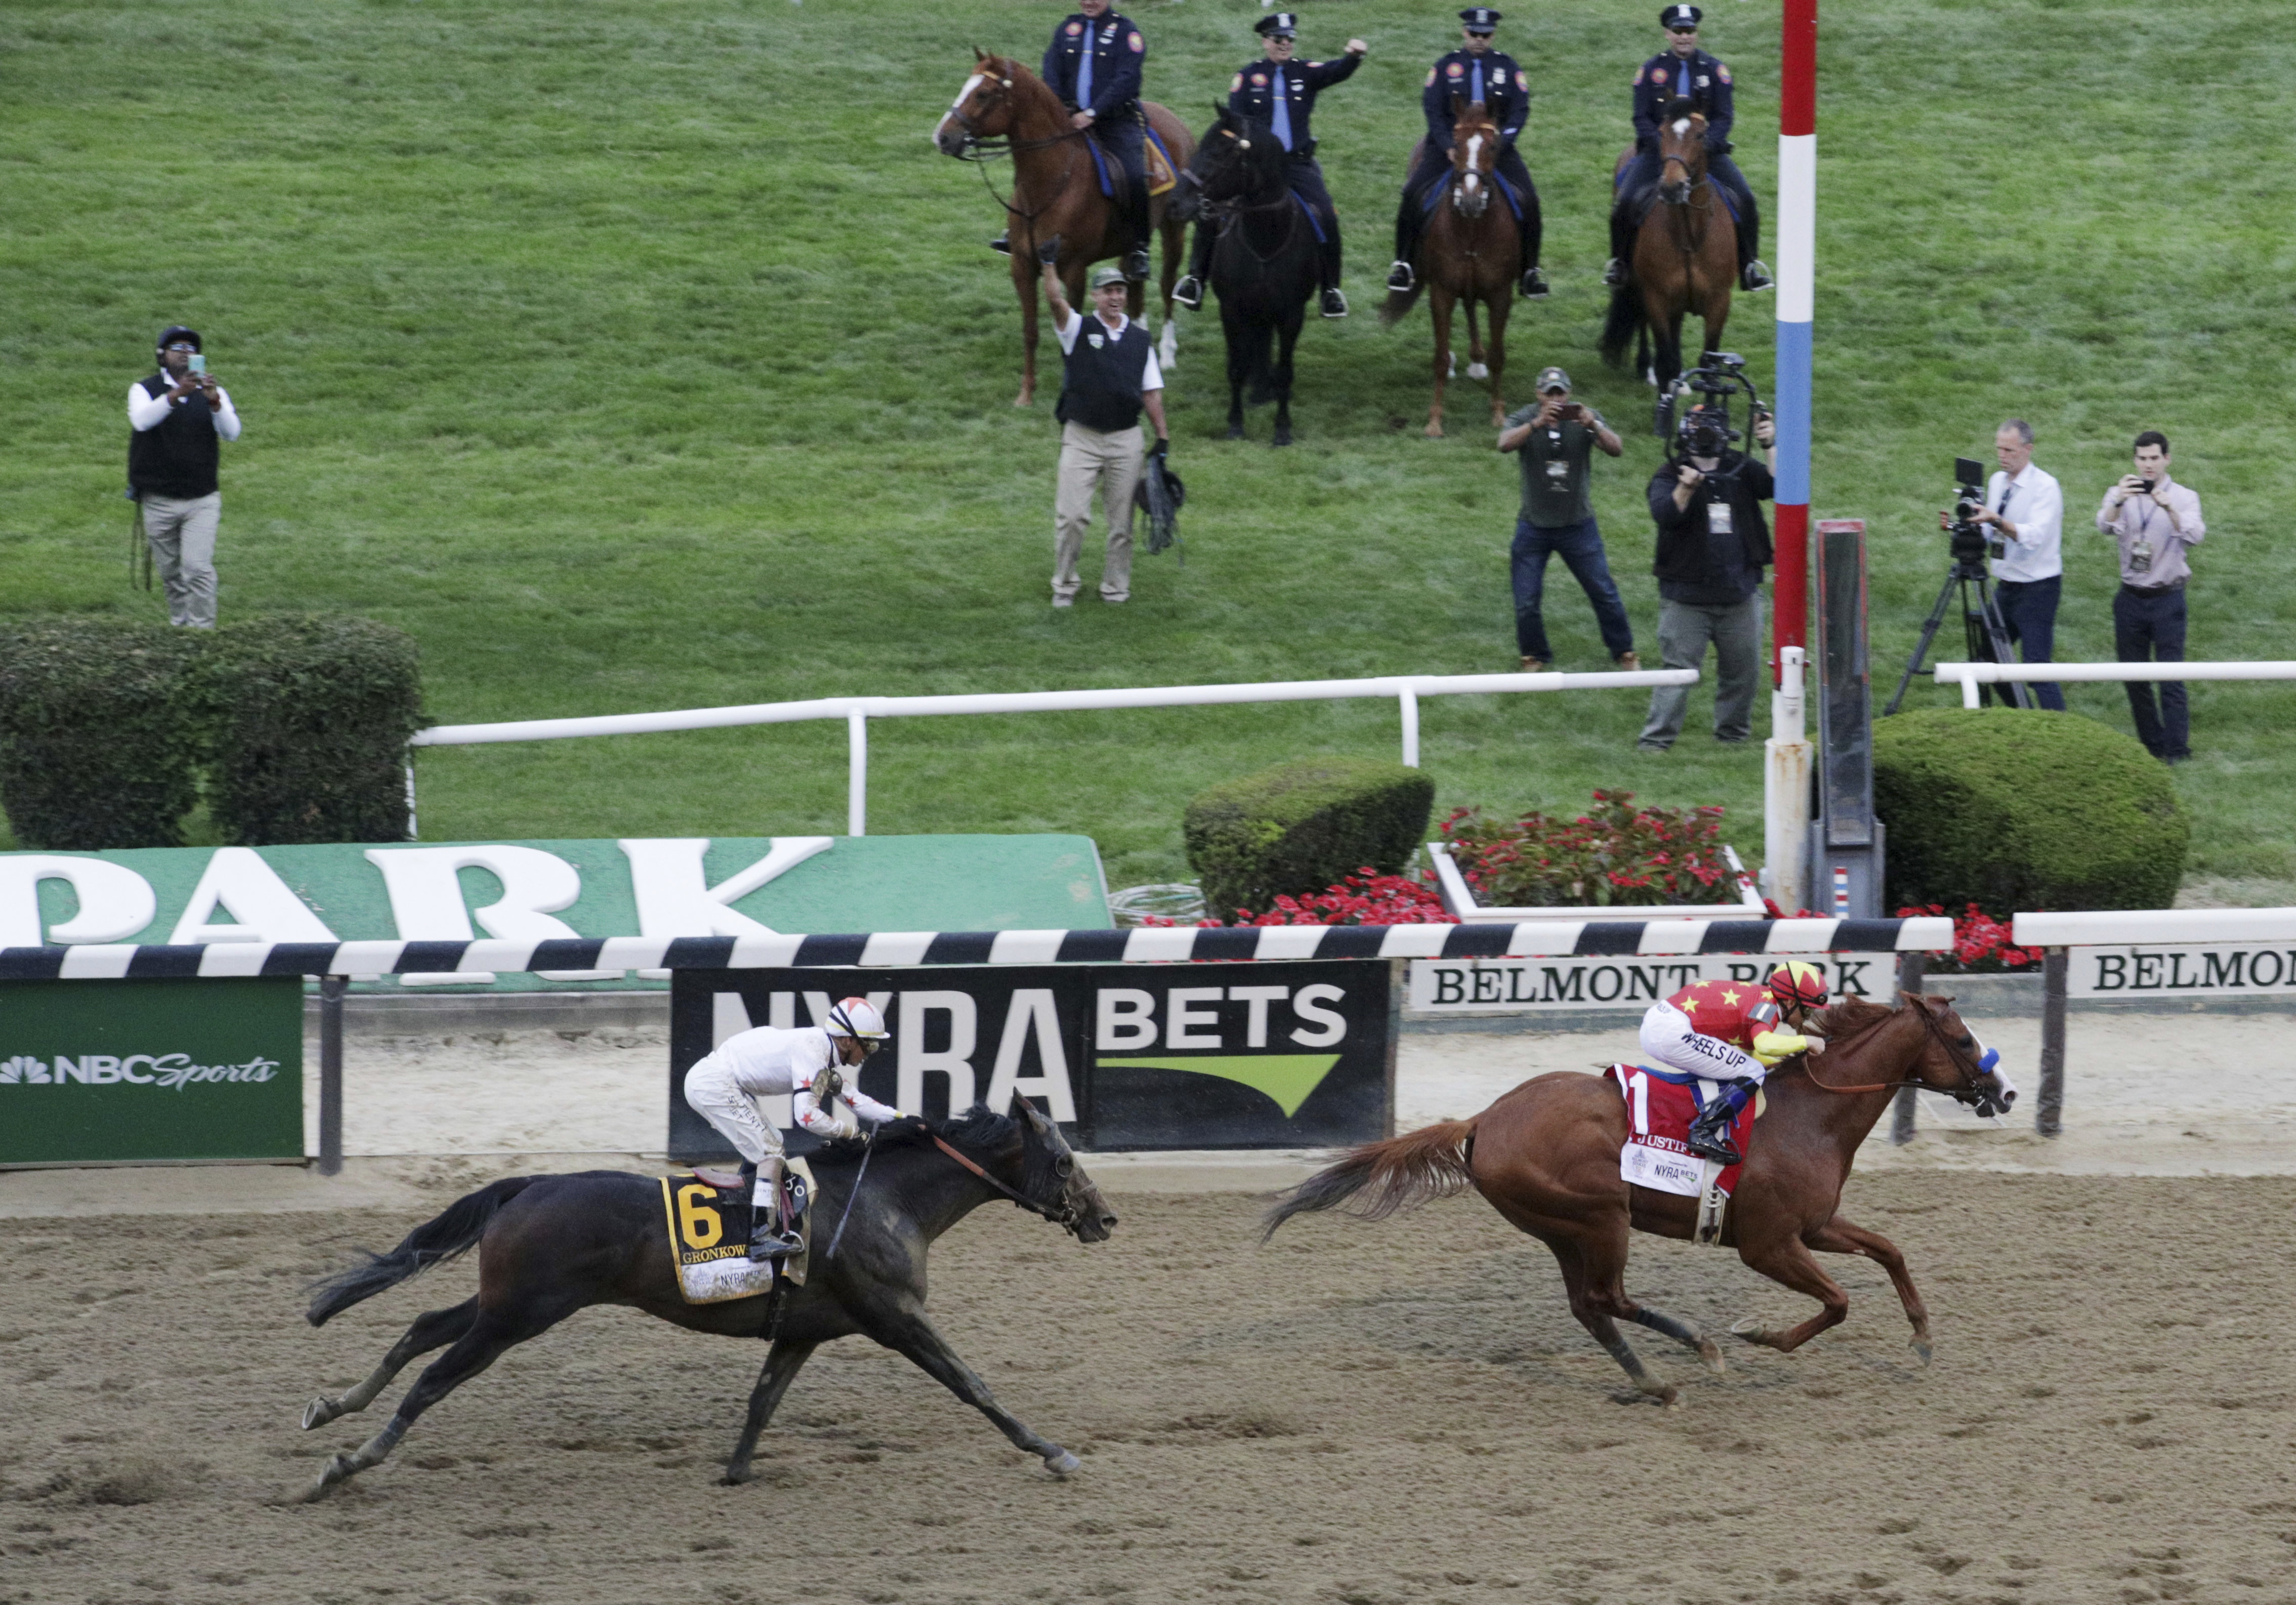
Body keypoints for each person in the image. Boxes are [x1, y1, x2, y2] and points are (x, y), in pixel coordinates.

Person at [1173, 12, 1366, 319]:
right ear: (1265, 42)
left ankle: (1331, 290)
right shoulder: (1248, 78)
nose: (1285, 44)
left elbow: (1335, 71)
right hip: (1257, 168)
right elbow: (1235, 122)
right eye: (1279, 39)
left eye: (1290, 39)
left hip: (1297, 165)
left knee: (1326, 215)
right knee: (1212, 211)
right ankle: (1196, 279)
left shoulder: (1305, 72)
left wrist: (1353, 57)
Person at [681, 998, 902, 1260]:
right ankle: (760, 1237)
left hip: (714, 1079)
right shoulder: (813, 1052)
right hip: (714, 1082)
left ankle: (746, 1208)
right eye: (870, 1045)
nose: (869, 1052)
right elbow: (807, 1117)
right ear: (847, 1041)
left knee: (773, 1141)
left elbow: (859, 1103)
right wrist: (851, 1133)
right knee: (771, 1153)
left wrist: (906, 1119)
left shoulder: (819, 1049)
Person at [1637, 401, 1776, 751]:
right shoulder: (1669, 472)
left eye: (1711, 428)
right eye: (1698, 427)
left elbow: (1777, 486)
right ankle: (1656, 741)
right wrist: (1686, 487)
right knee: (1677, 673)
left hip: (1739, 593)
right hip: (1686, 597)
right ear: (1684, 432)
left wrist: (1769, 444)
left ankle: (1732, 736)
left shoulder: (1739, 467)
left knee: (1742, 672)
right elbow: (1664, 514)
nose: (1705, 435)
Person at [1606, 4, 1771, 294]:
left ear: (1697, 33)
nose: (1685, 37)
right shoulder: (1650, 70)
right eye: (1678, 31)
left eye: (1690, 31)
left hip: (1705, 153)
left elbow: (1724, 116)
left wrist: (1705, 145)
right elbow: (1641, 117)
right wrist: (1667, 147)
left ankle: (1749, 267)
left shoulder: (1715, 70)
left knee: (1746, 199)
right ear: (1667, 34)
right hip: (1659, 153)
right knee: (1626, 203)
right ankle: (1620, 264)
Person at [1387, 7, 1549, 301]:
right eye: (1474, 33)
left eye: (1485, 35)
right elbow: (1433, 109)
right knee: (1411, 193)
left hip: (1495, 149)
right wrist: (1447, 144)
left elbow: (1520, 110)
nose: (1479, 39)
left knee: (1531, 200)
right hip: (1449, 148)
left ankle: (1530, 271)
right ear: (1464, 32)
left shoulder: (1508, 68)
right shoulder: (1446, 66)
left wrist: (1503, 143)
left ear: (1493, 36)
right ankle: (1404, 263)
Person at [994, 0, 1151, 280]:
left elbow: (1127, 79)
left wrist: (1093, 113)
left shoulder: (1126, 32)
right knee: (1032, 163)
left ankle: (1138, 247)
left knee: (1134, 174)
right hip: (1068, 117)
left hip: (1114, 121)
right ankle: (1017, 232)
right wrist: (1058, 107)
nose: (1088, 2)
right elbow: (1051, 68)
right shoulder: (1069, 28)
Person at [1046, 257, 1169, 606]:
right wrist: (1049, 265)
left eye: (1120, 291)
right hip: (1081, 437)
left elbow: (1151, 392)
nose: (1115, 297)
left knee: (1121, 524)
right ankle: (1064, 585)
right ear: (1095, 296)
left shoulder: (1140, 339)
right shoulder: (1076, 329)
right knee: (1071, 517)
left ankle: (1115, 588)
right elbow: (1055, 301)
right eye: (1108, 291)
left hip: (1126, 439)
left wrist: (1162, 437)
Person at [1498, 366, 1637, 673]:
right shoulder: (1525, 418)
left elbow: (1616, 449)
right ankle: (1533, 656)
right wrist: (1536, 424)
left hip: (1578, 525)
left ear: (1569, 394)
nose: (1556, 400)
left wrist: (1594, 426)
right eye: (1550, 394)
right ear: (1538, 395)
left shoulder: (1584, 418)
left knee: (1604, 592)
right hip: (1534, 526)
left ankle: (1624, 651)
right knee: (1526, 600)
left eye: (1560, 393)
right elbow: (1504, 444)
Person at [1639, 962, 1829, 1165]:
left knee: (1749, 1068)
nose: (1807, 1018)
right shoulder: (1768, 1007)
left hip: (1662, 1022)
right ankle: (1703, 1131)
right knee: (1754, 1072)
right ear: (1791, 1003)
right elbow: (1764, 1045)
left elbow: (1748, 1054)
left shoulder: (1762, 998)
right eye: (1807, 1011)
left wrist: (1784, 1060)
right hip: (1670, 1032)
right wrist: (1806, 1041)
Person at [2097, 430, 2205, 761]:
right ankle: (2152, 747)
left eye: (2154, 458)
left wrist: (2169, 508)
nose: (2147, 465)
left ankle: (2177, 749)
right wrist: (2118, 500)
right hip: (2130, 599)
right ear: (2135, 460)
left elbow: (2195, 534)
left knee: (2170, 677)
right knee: (2135, 679)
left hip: (2167, 598)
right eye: (2142, 458)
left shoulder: (2184, 497)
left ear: (2166, 459)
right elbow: (2103, 525)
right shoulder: (2120, 493)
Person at [128, 324, 242, 629]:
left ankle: (202, 632)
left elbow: (232, 433)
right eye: (177, 348)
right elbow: (142, 422)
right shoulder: (144, 390)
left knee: (197, 568)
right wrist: (178, 395)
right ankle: (181, 628)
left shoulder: (212, 393)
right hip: (158, 500)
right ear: (162, 357)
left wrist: (214, 402)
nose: (185, 353)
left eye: (191, 349)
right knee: (171, 574)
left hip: (201, 499)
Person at [1949, 419, 2065, 711]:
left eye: (2009, 450)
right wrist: (1959, 527)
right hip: (2007, 587)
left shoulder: (2046, 487)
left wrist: (1995, 519)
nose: (2002, 456)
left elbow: (2032, 536)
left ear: (2028, 449)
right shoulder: (1997, 481)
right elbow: (1990, 533)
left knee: (2037, 669)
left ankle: (2059, 731)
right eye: (1999, 449)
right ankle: (2024, 717)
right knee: (1986, 660)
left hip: (2038, 589)